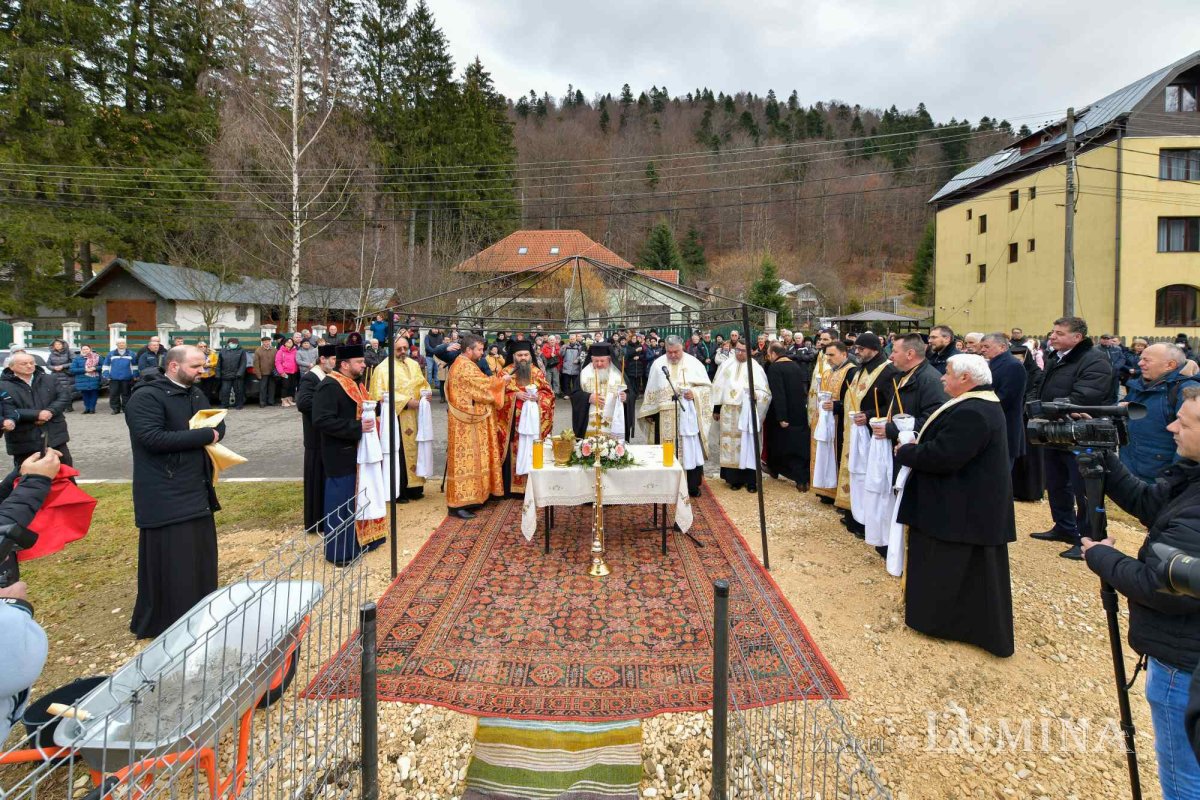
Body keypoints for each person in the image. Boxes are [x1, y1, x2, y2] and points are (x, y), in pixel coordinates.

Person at [1083, 385, 1200, 799]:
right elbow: (1151, 504)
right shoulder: (1192, 478)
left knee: (1184, 774)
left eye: (1183, 423)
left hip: (1182, 666)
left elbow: (1163, 587)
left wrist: (1102, 558)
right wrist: (1105, 459)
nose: (1170, 426)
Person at [895, 353, 1015, 657]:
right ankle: (952, 621)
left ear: (965, 378)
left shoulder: (973, 411)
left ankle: (945, 621)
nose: (942, 377)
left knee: (952, 567)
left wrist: (908, 451)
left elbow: (945, 456)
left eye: (947, 373)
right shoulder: (977, 403)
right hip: (965, 504)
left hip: (961, 507)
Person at [125, 346, 225, 638]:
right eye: (196, 366)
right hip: (164, 490)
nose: (202, 371)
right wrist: (206, 435)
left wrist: (214, 431)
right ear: (172, 366)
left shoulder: (194, 392)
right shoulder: (146, 397)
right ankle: (167, 621)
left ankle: (200, 611)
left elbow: (216, 422)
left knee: (200, 555)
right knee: (173, 559)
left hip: (195, 485)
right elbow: (152, 438)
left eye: (203, 366)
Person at [1030, 316, 1113, 560]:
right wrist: (1035, 405)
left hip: (1081, 434)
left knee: (1084, 488)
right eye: (1052, 332)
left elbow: (1084, 398)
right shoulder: (1056, 357)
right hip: (1054, 432)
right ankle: (1064, 527)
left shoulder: (1095, 360)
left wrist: (1047, 409)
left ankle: (1089, 539)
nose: (1052, 336)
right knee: (1056, 483)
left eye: (1059, 333)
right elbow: (1039, 385)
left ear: (1077, 337)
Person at [312, 342, 386, 564]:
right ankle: (340, 553)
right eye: (359, 362)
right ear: (344, 364)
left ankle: (363, 540)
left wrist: (380, 405)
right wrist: (356, 428)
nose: (364, 365)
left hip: (359, 453)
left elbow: (364, 408)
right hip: (340, 454)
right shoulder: (330, 386)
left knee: (360, 499)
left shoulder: (356, 384)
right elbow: (322, 420)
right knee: (341, 504)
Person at [835, 332, 897, 535]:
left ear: (874, 349)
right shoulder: (860, 369)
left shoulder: (889, 372)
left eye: (861, 349)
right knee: (855, 474)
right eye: (856, 349)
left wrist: (869, 415)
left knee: (866, 477)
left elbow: (891, 406)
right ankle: (854, 514)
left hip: (872, 436)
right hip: (854, 433)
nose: (857, 352)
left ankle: (866, 522)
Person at [638, 335, 713, 497]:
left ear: (682, 348)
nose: (672, 355)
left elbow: (707, 389)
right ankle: (664, 486)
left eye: (676, 352)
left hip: (687, 417)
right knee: (665, 452)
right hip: (663, 418)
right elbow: (651, 391)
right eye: (669, 352)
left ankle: (691, 486)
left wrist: (694, 393)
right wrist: (650, 413)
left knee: (688, 450)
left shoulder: (694, 363)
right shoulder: (658, 365)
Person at [444, 334, 506, 519]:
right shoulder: (463, 366)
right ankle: (459, 504)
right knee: (466, 462)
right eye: (479, 349)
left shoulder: (465, 364)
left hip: (470, 419)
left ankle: (477, 496)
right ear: (468, 349)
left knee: (476, 459)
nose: (482, 353)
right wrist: (502, 382)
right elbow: (482, 385)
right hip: (465, 421)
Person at [1121, 343, 1200, 484]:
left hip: (1162, 477)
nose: (1140, 363)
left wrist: (1172, 480)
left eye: (1146, 360)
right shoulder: (1141, 384)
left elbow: (1192, 442)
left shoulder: (1188, 391)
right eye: (1140, 358)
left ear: (1170, 365)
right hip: (1135, 470)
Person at [368, 335, 432, 502]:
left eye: (405, 348)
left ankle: (415, 488)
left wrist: (426, 394)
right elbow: (380, 395)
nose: (403, 352)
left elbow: (422, 383)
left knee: (416, 449)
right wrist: (405, 401)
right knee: (399, 452)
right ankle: (400, 490)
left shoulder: (414, 364)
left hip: (415, 415)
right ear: (391, 349)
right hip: (395, 416)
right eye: (399, 349)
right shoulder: (383, 369)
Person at [496, 341, 555, 495]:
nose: (523, 358)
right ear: (513, 356)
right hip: (512, 428)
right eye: (519, 355)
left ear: (530, 356)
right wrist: (515, 395)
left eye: (526, 355)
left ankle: (534, 487)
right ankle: (512, 490)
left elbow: (549, 394)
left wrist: (538, 397)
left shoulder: (537, 372)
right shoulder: (505, 374)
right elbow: (495, 396)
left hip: (533, 424)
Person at [712, 341, 771, 492]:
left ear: (751, 351)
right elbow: (718, 388)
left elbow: (765, 393)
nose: (740, 353)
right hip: (728, 412)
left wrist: (755, 395)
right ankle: (734, 479)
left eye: (743, 351)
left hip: (746, 412)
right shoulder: (725, 365)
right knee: (729, 445)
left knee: (749, 444)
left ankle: (751, 480)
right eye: (737, 350)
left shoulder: (756, 368)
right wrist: (717, 409)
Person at [2, 352, 72, 468]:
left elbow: (64, 397)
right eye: (24, 363)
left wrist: (50, 411)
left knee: (65, 472)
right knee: (28, 477)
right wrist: (36, 415)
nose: (29, 366)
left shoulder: (49, 379)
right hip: (24, 439)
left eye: (31, 363)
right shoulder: (3, 386)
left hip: (54, 435)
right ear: (11, 366)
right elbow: (5, 409)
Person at [296, 344, 336, 533]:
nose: (335, 364)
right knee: (315, 481)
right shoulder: (310, 377)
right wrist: (328, 408)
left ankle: (325, 518)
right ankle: (315, 522)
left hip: (326, 436)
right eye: (333, 360)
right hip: (314, 437)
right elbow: (303, 403)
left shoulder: (328, 376)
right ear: (323, 360)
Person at [763, 340, 812, 491]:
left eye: (769, 354)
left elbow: (779, 394)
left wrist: (782, 417)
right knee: (798, 444)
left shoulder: (775, 368)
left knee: (785, 445)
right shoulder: (795, 366)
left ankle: (797, 478)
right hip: (799, 411)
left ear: (773, 354)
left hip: (782, 413)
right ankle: (800, 477)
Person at [810, 337, 854, 505]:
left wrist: (836, 406)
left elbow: (852, 399)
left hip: (840, 422)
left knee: (838, 457)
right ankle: (826, 489)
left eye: (832, 355)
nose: (828, 358)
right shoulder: (829, 371)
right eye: (826, 355)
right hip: (827, 421)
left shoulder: (851, 371)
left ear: (844, 354)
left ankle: (837, 492)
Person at [978, 333, 1028, 470]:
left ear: (1002, 347)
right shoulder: (990, 364)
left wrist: (978, 407)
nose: (982, 350)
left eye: (986, 346)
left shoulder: (1013, 366)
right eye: (981, 346)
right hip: (993, 426)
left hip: (1006, 427)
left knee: (1001, 474)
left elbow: (1005, 398)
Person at [571, 343, 631, 441]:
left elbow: (631, 394)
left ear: (609, 359)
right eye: (596, 361)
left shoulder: (618, 375)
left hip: (613, 425)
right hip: (589, 426)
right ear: (591, 360)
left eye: (602, 361)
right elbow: (574, 394)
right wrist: (588, 398)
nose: (599, 364)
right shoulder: (584, 374)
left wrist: (626, 397)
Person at [105, 338, 137, 414]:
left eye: (123, 343)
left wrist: (135, 375)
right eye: (119, 343)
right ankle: (115, 409)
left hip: (127, 378)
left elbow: (135, 366)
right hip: (113, 378)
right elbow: (106, 365)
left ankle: (126, 408)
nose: (121, 344)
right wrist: (106, 374)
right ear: (117, 345)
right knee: (114, 394)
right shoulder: (111, 354)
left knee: (126, 394)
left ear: (125, 344)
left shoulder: (131, 354)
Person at [70, 344, 103, 414]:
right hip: (82, 379)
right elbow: (72, 369)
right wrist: (85, 370)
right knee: (85, 395)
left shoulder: (97, 357)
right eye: (83, 349)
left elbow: (103, 366)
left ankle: (92, 408)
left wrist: (95, 368)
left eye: (87, 349)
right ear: (81, 350)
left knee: (94, 393)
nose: (85, 350)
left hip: (94, 378)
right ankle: (87, 408)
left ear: (90, 349)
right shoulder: (77, 359)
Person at [218, 337, 248, 410]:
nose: (233, 344)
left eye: (235, 343)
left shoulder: (241, 351)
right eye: (232, 343)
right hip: (225, 375)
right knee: (225, 391)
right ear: (228, 343)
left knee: (238, 391)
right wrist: (218, 374)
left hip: (237, 376)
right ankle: (224, 405)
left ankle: (239, 405)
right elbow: (219, 364)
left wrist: (240, 373)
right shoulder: (222, 351)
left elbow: (243, 363)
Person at [47, 339, 74, 413]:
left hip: (66, 374)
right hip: (55, 374)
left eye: (59, 344)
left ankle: (68, 407)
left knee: (66, 391)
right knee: (57, 391)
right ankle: (60, 407)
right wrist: (54, 368)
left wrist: (63, 366)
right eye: (56, 345)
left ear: (63, 345)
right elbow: (48, 365)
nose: (57, 346)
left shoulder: (69, 352)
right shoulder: (52, 354)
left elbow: (74, 362)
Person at [275, 338, 299, 407]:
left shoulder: (295, 351)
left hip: (294, 372)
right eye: (288, 341)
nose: (289, 342)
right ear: (284, 343)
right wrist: (281, 372)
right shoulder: (280, 351)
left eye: (291, 341)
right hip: (285, 372)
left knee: (292, 386)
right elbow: (277, 362)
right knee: (285, 386)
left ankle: (289, 400)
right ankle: (284, 401)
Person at [254, 337, 278, 408]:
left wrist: (277, 371)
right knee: (262, 388)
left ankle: (271, 401)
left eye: (268, 341)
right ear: (262, 342)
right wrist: (258, 373)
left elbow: (278, 360)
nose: (267, 343)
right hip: (263, 372)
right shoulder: (258, 350)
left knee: (272, 387)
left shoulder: (274, 350)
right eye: (265, 342)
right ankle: (262, 402)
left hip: (272, 372)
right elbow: (256, 363)